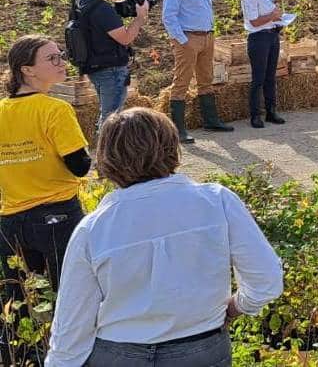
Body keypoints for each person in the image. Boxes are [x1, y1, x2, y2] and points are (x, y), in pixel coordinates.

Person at [46, 107, 284, 366]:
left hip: (120, 352)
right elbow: (267, 279)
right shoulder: (217, 202)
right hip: (201, 347)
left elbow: (71, 326)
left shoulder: (93, 229)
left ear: (106, 158)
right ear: (172, 147)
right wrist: (238, 306)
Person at [0, 37, 89, 308]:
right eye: (52, 58)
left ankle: (24, 353)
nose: (62, 62)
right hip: (58, 215)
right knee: (71, 300)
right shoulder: (55, 110)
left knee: (20, 304)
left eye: (60, 55)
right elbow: (79, 165)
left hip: (10, 221)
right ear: (27, 70)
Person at [161, 0, 227, 140]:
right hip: (188, 38)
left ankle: (211, 121)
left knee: (206, 79)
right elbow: (169, 15)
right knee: (182, 81)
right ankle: (178, 130)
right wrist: (183, 40)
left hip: (207, 36)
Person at [74, 0, 149, 132]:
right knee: (112, 120)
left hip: (96, 67)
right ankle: (108, 154)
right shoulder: (102, 9)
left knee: (107, 116)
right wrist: (140, 18)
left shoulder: (82, 4)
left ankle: (106, 152)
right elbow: (125, 38)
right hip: (111, 70)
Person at [241, 0, 286, 128]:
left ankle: (271, 112)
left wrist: (278, 20)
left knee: (270, 77)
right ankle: (255, 115)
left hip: (272, 36)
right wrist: (272, 17)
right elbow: (253, 22)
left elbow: (269, 16)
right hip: (259, 38)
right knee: (258, 78)